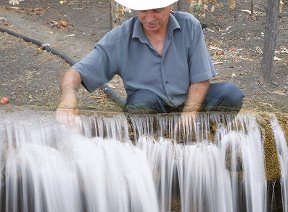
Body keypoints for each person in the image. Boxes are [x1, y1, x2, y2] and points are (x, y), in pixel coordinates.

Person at [56, 0, 244, 124]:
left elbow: (201, 78)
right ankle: (154, 148)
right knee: (141, 104)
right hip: (150, 108)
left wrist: (190, 113)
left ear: (172, 6)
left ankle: (203, 138)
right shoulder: (120, 39)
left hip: (191, 100)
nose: (150, 18)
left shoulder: (189, 26)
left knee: (231, 95)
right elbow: (75, 73)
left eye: (158, 10)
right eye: (144, 10)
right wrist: (68, 98)